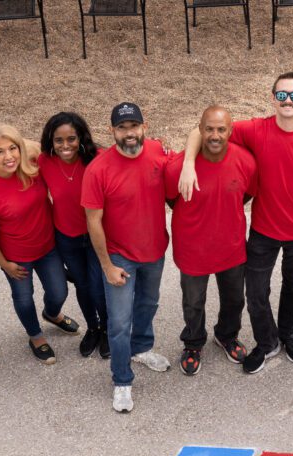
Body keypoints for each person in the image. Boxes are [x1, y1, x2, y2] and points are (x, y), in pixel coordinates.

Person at [180, 71, 293, 374]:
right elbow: (203, 131)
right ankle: (267, 342)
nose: (288, 100)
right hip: (264, 230)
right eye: (282, 95)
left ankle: (288, 334)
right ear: (273, 98)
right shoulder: (256, 130)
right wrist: (188, 164)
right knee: (255, 292)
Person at [82, 102, 173, 413]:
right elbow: (93, 221)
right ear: (112, 131)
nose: (129, 133)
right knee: (119, 323)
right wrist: (107, 265)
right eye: (122, 128)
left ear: (144, 127)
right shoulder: (98, 170)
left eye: (134, 126)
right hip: (120, 257)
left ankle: (142, 347)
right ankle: (122, 381)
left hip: (155, 251)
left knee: (149, 304)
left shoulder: (158, 151)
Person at [0, 125, 80, 365]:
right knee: (23, 298)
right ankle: (36, 336)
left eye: (12, 148)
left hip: (48, 248)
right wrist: (4, 264)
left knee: (59, 291)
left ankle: (52, 314)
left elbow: (46, 147)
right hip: (16, 257)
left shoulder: (32, 168)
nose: (8, 156)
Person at [165, 106, 257, 376]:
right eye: (209, 129)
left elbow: (246, 194)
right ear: (200, 129)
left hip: (231, 248)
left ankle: (226, 336)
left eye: (221, 129)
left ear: (230, 131)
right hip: (193, 250)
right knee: (193, 303)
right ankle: (193, 343)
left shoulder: (246, 162)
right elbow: (171, 199)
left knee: (234, 300)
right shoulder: (178, 169)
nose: (214, 135)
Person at [38, 112, 110, 360]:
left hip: (95, 236)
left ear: (81, 138)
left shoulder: (98, 159)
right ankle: (93, 327)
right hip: (66, 237)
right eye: (59, 140)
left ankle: (108, 329)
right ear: (51, 141)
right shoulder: (44, 161)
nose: (65, 145)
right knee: (83, 286)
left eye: (71, 139)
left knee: (98, 286)